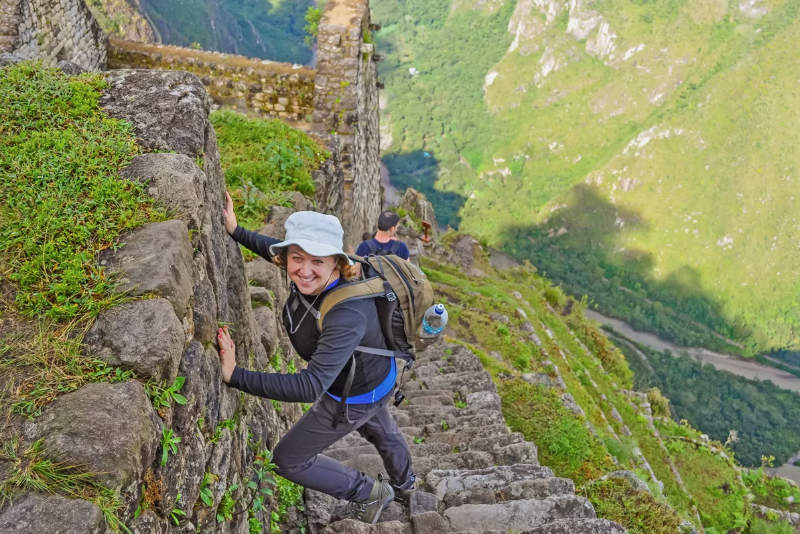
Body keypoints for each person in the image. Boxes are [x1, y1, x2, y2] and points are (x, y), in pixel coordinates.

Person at [217, 192, 415, 524]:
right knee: (384, 432)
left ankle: (368, 491)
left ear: (338, 263)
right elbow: (275, 250)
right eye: (297, 258)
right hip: (379, 377)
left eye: (317, 262)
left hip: (351, 394)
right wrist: (237, 231)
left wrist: (236, 375)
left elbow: (310, 387)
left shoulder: (347, 314)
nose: (304, 271)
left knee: (288, 459)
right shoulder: (315, 270)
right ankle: (406, 483)